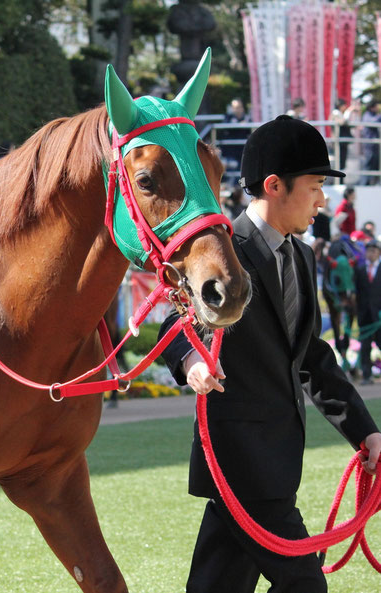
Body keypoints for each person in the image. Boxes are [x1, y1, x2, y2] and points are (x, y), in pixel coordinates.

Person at [159, 115, 381, 593]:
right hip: (239, 464)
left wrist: (365, 432)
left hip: (277, 463)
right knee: (305, 585)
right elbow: (173, 323)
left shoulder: (302, 255)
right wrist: (193, 361)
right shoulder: (219, 251)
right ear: (276, 185)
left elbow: (311, 357)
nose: (325, 199)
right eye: (317, 184)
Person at [356, 240, 381, 384]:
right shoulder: (360, 270)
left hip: (379, 314)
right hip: (365, 314)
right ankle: (366, 375)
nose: (371, 254)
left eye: (374, 251)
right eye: (369, 251)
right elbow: (356, 292)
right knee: (365, 345)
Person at [221, 99, 251, 177]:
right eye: (235, 107)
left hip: (243, 151)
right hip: (230, 151)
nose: (237, 109)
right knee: (231, 170)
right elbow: (225, 128)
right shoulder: (228, 117)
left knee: (243, 171)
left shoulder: (247, 118)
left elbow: (250, 131)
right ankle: (231, 186)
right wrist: (240, 125)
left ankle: (240, 187)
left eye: (239, 107)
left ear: (242, 108)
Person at [330, 98, 357, 170]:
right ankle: (336, 181)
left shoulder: (340, 114)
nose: (345, 107)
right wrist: (348, 112)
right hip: (338, 142)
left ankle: (340, 180)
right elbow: (341, 122)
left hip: (343, 142)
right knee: (338, 163)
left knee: (342, 163)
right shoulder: (335, 114)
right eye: (344, 105)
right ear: (340, 106)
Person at [359, 101, 381, 186]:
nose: (378, 108)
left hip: (375, 147)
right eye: (376, 106)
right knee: (367, 167)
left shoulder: (374, 116)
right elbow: (373, 122)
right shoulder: (367, 115)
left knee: (375, 167)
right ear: (371, 107)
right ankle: (363, 185)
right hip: (369, 146)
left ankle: (372, 184)